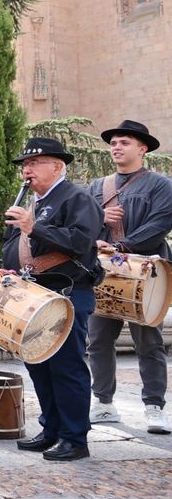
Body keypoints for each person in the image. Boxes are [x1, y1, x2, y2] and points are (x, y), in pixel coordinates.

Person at [4, 137, 103, 461]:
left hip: (69, 294)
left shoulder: (77, 198)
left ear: (58, 166)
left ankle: (75, 438)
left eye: (35, 163)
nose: (27, 170)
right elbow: (14, 244)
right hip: (35, 296)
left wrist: (35, 227)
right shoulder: (33, 202)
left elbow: (80, 240)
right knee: (38, 364)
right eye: (25, 165)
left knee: (66, 366)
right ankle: (52, 429)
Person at [85, 120, 172, 434]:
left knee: (149, 342)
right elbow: (78, 225)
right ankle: (104, 404)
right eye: (113, 143)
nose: (116, 147)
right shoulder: (97, 187)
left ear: (142, 148)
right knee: (97, 340)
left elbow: (160, 223)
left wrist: (123, 244)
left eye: (124, 142)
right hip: (105, 272)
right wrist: (98, 218)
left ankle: (154, 407)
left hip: (145, 273)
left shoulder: (160, 185)